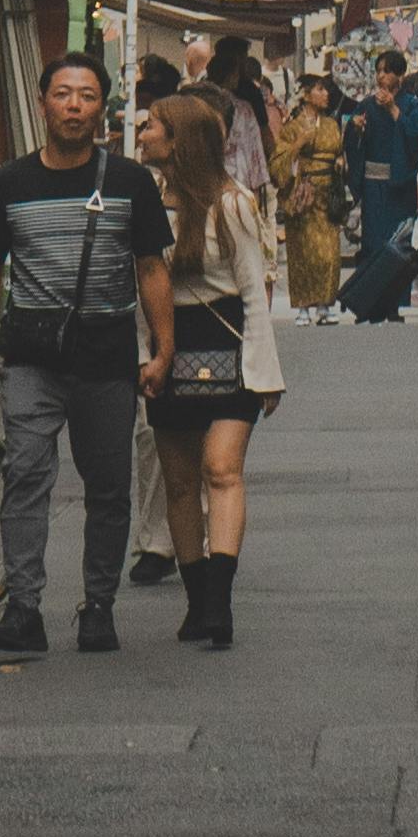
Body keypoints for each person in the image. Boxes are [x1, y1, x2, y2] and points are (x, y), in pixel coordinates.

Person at [0, 53, 174, 660]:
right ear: (43, 103)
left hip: (107, 359)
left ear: (102, 107)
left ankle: (97, 607)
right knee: (25, 474)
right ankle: (24, 607)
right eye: (62, 94)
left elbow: (152, 268)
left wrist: (162, 349)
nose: (73, 105)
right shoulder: (10, 184)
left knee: (109, 487)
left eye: (86, 95)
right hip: (32, 357)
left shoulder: (129, 183)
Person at [138, 85, 280, 647]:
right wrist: (145, 358)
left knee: (220, 469)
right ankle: (197, 600)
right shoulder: (145, 203)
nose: (142, 132)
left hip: (229, 347)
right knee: (177, 483)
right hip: (168, 348)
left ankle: (218, 600)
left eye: (151, 125)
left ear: (178, 141)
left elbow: (253, 291)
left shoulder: (233, 204)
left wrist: (266, 373)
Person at [340, 48, 418, 321]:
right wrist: (354, 129)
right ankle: (370, 303)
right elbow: (352, 144)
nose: (382, 76)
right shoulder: (366, 105)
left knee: (398, 245)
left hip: (399, 187)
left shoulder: (411, 104)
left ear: (400, 75)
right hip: (374, 186)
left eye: (388, 71)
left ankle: (393, 304)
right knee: (373, 244)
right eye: (379, 71)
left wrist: (393, 109)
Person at [272, 73, 349, 311]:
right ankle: (305, 304)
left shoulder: (331, 125)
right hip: (304, 194)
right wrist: (298, 145)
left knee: (329, 253)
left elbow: (340, 151)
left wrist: (339, 159)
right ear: (305, 94)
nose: (326, 94)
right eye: (319, 89)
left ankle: (325, 303)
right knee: (305, 253)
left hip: (328, 193)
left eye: (326, 90)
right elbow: (277, 164)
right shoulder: (293, 127)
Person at [201, 30, 275, 196]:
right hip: (238, 176)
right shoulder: (247, 101)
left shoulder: (198, 95)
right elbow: (260, 137)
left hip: (204, 175)